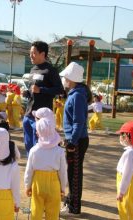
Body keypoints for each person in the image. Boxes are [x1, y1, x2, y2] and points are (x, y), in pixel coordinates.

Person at [59, 62, 92, 216]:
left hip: (77, 140)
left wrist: (72, 141)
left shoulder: (78, 95)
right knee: (71, 172)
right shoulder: (75, 93)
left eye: (65, 77)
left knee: (74, 174)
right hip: (74, 139)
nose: (64, 79)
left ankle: (74, 208)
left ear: (71, 78)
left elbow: (78, 121)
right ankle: (69, 203)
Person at [24, 108, 67, 220]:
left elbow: (29, 171)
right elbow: (63, 172)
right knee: (53, 212)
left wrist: (27, 186)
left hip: (37, 183)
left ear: (38, 132)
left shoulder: (34, 150)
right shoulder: (59, 151)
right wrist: (62, 187)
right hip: (54, 183)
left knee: (36, 211)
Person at [23, 41, 64, 154]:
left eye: (34, 53)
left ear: (43, 54)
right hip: (28, 114)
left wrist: (41, 90)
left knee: (39, 147)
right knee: (28, 146)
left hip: (41, 118)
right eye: (30, 53)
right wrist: (27, 93)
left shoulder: (51, 70)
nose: (31, 55)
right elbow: (34, 90)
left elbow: (59, 90)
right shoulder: (33, 69)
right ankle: (31, 167)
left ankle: (39, 169)